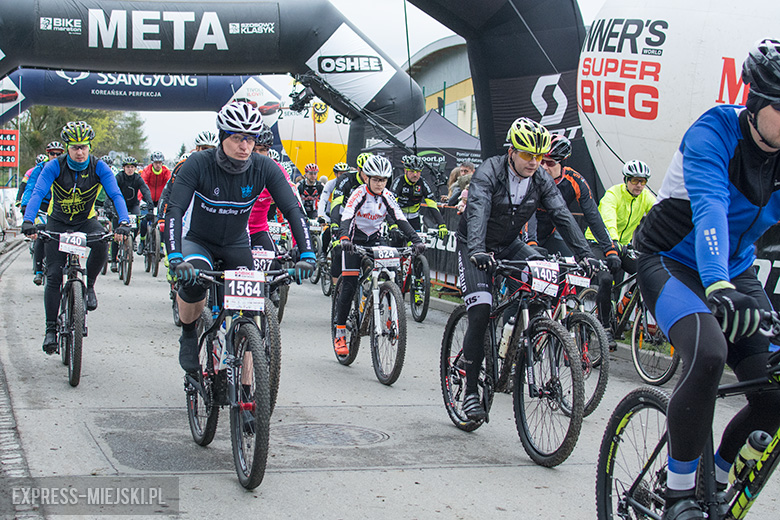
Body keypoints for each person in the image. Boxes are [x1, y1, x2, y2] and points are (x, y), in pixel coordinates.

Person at [631, 39, 780, 520]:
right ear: (755, 101)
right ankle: (678, 498)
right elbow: (711, 209)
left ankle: (712, 482)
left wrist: (729, 282)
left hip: (733, 269)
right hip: (670, 260)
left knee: (775, 391)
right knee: (710, 352)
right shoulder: (713, 132)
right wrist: (717, 286)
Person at [456, 117, 597, 420]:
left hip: (508, 244)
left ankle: (522, 344)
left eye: (538, 156)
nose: (534, 162)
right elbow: (478, 209)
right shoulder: (489, 172)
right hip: (474, 244)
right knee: (480, 312)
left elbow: (561, 213)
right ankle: (469, 392)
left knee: (543, 281)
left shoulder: (539, 178)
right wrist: (479, 251)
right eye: (527, 155)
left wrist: (585, 254)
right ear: (512, 152)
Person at [165, 101, 315, 376]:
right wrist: (175, 257)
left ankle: (247, 394)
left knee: (250, 314)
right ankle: (188, 334)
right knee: (194, 283)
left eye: (250, 138)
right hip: (199, 241)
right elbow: (175, 210)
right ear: (223, 136)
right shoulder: (198, 164)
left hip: (237, 244)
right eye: (237, 137)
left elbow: (292, 209)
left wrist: (307, 253)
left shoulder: (264, 167)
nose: (244, 145)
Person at [21, 121, 132, 353]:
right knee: (53, 275)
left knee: (102, 242)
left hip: (85, 220)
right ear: (67, 148)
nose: (80, 152)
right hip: (58, 221)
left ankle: (89, 286)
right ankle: (50, 329)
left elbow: (115, 194)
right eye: (74, 147)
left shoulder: (99, 167)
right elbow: (38, 192)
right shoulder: (54, 166)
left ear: (89, 146)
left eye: (83, 147)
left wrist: (124, 222)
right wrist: (29, 221)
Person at [526, 135, 621, 341]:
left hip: (550, 233)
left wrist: (609, 249)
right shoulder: (533, 177)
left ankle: (560, 324)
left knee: (572, 270)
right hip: (525, 231)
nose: (543, 167)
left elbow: (593, 217)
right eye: (541, 160)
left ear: (563, 163)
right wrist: (531, 242)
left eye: (550, 163)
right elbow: (529, 214)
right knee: (525, 289)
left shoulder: (575, 181)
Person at [333, 155, 425, 355]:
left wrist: (416, 240)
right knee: (348, 286)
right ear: (367, 178)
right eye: (375, 179)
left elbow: (400, 218)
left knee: (391, 271)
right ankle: (340, 332)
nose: (379, 183)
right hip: (353, 241)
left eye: (383, 180)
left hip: (374, 239)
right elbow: (347, 216)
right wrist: (344, 238)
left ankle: (391, 310)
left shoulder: (387, 196)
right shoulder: (358, 194)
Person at [584, 159, 654, 348]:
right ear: (626, 180)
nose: (639, 185)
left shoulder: (645, 197)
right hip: (600, 243)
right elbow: (608, 220)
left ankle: (623, 306)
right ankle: (605, 328)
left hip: (622, 246)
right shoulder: (613, 194)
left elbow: (660, 216)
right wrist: (613, 241)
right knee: (606, 280)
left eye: (643, 181)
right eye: (635, 181)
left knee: (647, 271)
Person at [20, 141, 65, 285]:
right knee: (41, 233)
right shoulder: (39, 169)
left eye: (59, 154)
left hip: (60, 207)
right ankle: (39, 270)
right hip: (43, 206)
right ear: (48, 154)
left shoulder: (67, 167)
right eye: (52, 153)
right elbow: (31, 188)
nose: (55, 156)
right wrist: (25, 206)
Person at [105, 156, 153, 272]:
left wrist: (150, 205)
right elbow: (110, 191)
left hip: (133, 205)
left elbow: (145, 190)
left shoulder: (137, 178)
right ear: (123, 168)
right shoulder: (119, 177)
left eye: (132, 167)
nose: (130, 169)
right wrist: (108, 206)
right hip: (119, 206)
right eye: (128, 167)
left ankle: (133, 239)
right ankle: (114, 260)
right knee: (117, 232)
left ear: (135, 168)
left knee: (137, 221)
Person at [388, 154, 448, 242]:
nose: (415, 174)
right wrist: (392, 224)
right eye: (412, 171)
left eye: (418, 171)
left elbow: (432, 206)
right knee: (397, 247)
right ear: (405, 170)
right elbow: (390, 206)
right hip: (399, 218)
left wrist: (442, 225)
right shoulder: (399, 182)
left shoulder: (422, 183)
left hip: (414, 219)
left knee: (417, 247)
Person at [138, 151, 171, 254]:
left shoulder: (166, 172)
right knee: (143, 220)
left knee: (162, 222)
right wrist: (140, 200)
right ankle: (142, 242)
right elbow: (142, 186)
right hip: (147, 199)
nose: (158, 165)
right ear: (152, 163)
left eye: (160, 162)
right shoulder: (147, 171)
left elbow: (170, 186)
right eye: (156, 162)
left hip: (160, 200)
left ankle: (161, 246)